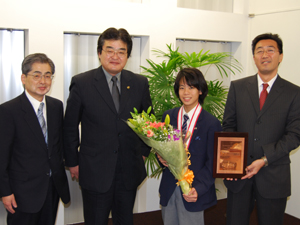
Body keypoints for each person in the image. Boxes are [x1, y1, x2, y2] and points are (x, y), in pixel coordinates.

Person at [63, 27, 152, 225]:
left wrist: (143, 151)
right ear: (99, 53)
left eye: (121, 51)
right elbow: (69, 126)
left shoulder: (139, 83)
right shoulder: (82, 82)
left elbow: (149, 122)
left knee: (125, 220)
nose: (115, 56)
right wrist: (73, 162)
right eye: (109, 50)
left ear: (127, 55)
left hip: (128, 170)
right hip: (94, 169)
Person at [223, 33, 300, 225]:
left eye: (270, 50)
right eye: (260, 51)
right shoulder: (237, 87)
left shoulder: (294, 93)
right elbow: (228, 126)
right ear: (254, 57)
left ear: (280, 56)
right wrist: (231, 163)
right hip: (239, 175)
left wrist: (264, 159)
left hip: (274, 175)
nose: (265, 55)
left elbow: (294, 135)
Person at [0, 53, 70, 225]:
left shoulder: (56, 106)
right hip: (22, 193)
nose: (43, 81)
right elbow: (1, 157)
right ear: (24, 78)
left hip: (52, 188)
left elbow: (57, 146)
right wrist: (5, 192)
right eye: (36, 75)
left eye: (47, 76)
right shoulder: (8, 111)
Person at [157, 68, 222, 225]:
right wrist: (161, 158)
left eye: (191, 87)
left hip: (194, 192)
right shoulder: (169, 116)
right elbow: (162, 149)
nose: (186, 92)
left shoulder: (211, 123)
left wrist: (197, 189)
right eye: (181, 87)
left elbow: (213, 163)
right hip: (170, 189)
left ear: (200, 90)